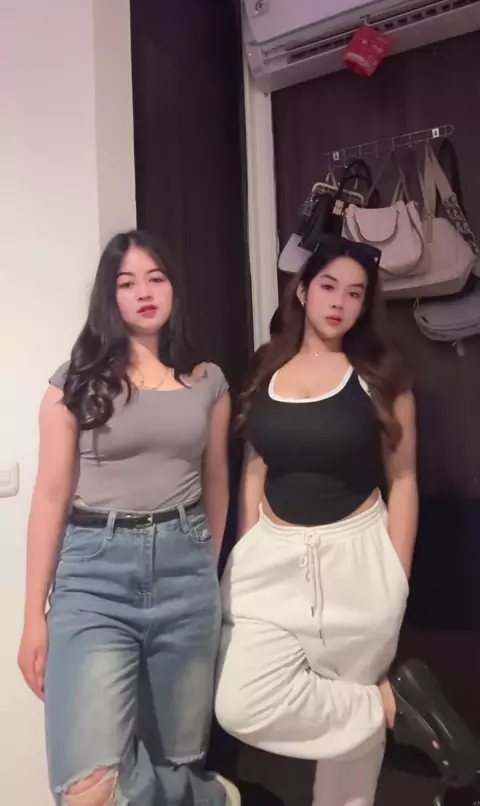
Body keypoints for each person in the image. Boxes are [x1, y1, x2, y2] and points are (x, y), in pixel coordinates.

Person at [215, 235, 478, 806]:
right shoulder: (267, 366)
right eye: (329, 286)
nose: (339, 302)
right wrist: (247, 545)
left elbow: (403, 478)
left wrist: (395, 575)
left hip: (356, 561)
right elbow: (255, 466)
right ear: (303, 291)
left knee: (348, 764)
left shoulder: (382, 375)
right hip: (271, 563)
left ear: (365, 305)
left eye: (355, 294)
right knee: (238, 703)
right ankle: (390, 705)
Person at [18, 230, 240, 806]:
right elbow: (50, 497)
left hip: (185, 574)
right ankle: (210, 799)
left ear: (173, 289)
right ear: (108, 296)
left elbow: (217, 484)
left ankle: (192, 789)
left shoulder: (208, 382)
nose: (144, 292)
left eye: (155, 278)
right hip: (94, 577)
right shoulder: (73, 384)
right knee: (88, 788)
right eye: (127, 282)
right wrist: (33, 616)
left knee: (174, 757)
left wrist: (205, 566)